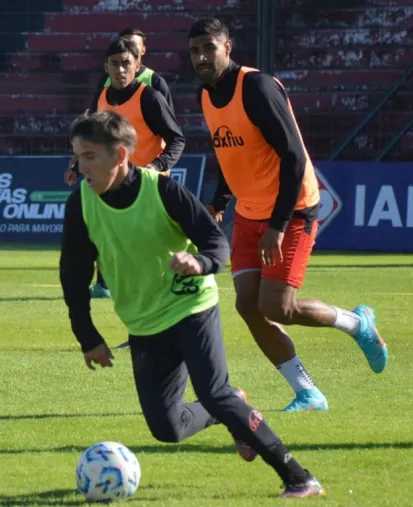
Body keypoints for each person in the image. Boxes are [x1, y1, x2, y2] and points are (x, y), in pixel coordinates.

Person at [59, 109, 326, 498]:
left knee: (214, 392)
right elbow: (73, 275)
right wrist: (87, 337)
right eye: (77, 157)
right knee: (167, 428)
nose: (80, 167)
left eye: (89, 157)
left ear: (120, 155)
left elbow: (216, 242)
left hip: (191, 307)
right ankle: (234, 408)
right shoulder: (80, 204)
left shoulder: (163, 191)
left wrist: (200, 263)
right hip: (144, 324)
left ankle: (299, 477)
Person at [188, 18, 388, 412]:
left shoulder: (257, 87)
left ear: (228, 46)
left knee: (278, 307)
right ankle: (308, 392)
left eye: (209, 47)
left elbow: (294, 157)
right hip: (250, 211)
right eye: (194, 50)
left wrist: (277, 226)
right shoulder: (206, 95)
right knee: (248, 305)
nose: (201, 57)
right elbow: (229, 151)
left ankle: (357, 324)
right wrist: (220, 201)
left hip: (292, 209)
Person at [67, 37, 186, 300]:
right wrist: (75, 164)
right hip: (113, 182)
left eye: (126, 63)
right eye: (114, 64)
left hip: (147, 185)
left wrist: (157, 166)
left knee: (147, 247)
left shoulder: (150, 97)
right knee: (105, 237)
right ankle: (107, 286)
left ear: (136, 65)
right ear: (105, 67)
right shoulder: (101, 97)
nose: (120, 70)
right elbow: (91, 136)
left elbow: (177, 139)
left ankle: (166, 292)